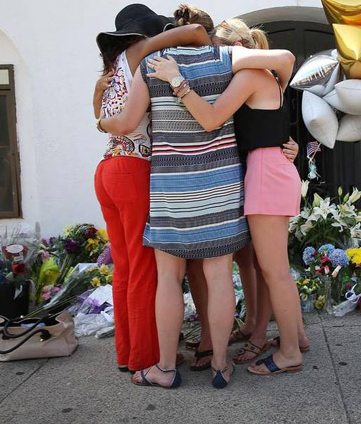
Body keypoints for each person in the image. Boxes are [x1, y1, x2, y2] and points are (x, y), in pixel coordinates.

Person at [98, 31, 297, 388]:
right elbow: (283, 59)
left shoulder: (151, 65)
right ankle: (221, 365)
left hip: (171, 186)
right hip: (220, 183)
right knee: (220, 276)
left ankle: (164, 367)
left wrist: (101, 121)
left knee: (168, 279)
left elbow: (126, 124)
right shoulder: (225, 60)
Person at [146, 18, 308, 376]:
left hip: (266, 175)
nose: (212, 58)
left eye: (216, 51)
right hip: (268, 170)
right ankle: (296, 336)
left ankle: (290, 352)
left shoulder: (250, 76)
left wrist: (177, 81)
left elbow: (211, 119)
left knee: (274, 271)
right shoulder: (264, 76)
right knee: (271, 268)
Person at [92, 3, 212, 374]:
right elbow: (197, 35)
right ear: (143, 35)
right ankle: (146, 358)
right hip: (133, 169)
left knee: (125, 269)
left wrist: (100, 123)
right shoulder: (138, 53)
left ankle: (128, 355)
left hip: (108, 168)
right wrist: (169, 35)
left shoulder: (111, 72)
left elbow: (99, 117)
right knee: (145, 269)